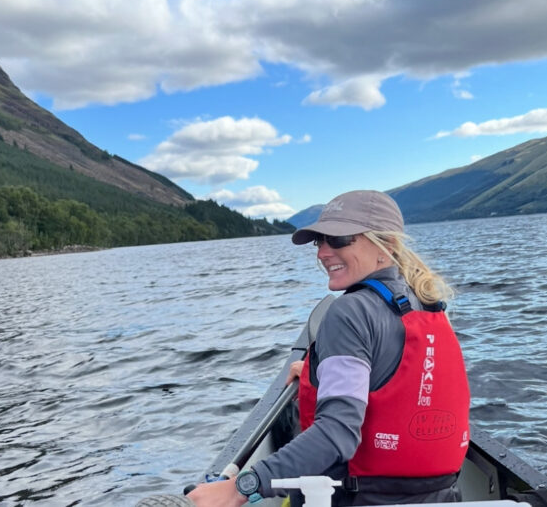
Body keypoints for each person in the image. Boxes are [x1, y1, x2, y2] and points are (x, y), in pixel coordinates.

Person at [188, 190, 470, 507]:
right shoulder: (428, 303)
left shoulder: (350, 311)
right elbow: (395, 373)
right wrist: (314, 372)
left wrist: (241, 487)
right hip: (442, 498)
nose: (323, 253)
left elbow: (338, 434)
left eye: (338, 240)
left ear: (386, 244)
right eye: (319, 241)